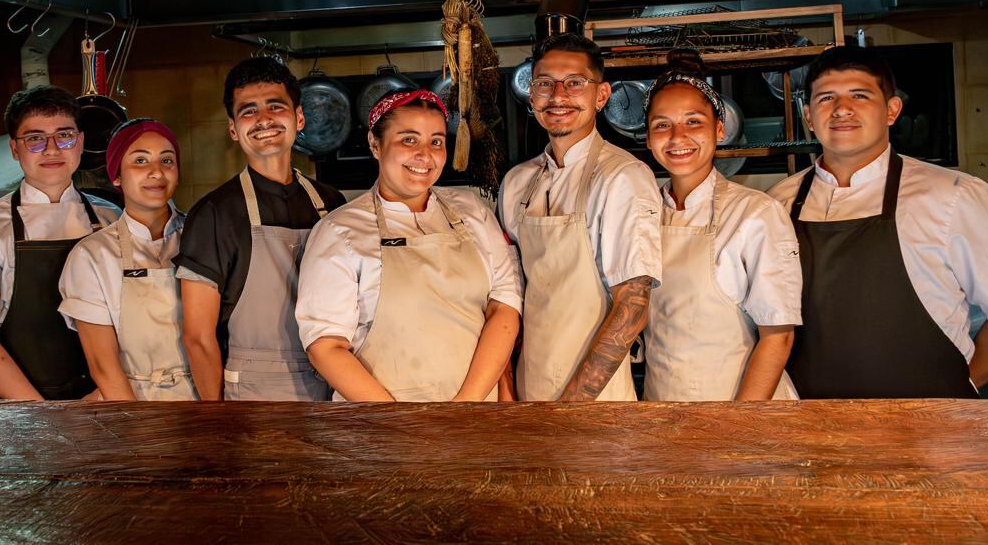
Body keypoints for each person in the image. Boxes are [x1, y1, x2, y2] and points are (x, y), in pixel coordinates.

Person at [767, 46, 988, 398]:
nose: (841, 110)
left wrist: (958, 387)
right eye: (826, 99)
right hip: (810, 430)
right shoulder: (778, 203)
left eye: (860, 95)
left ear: (892, 110)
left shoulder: (953, 196)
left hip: (931, 435)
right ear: (809, 116)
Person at [296, 89, 522, 402]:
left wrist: (465, 407)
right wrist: (403, 426)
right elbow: (325, 347)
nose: (425, 155)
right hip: (383, 430)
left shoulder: (472, 213)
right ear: (375, 144)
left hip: (474, 417)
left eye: (437, 141)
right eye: (408, 139)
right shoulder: (338, 231)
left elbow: (504, 307)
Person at [498, 33, 662, 401]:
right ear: (531, 95)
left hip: (594, 402)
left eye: (574, 83)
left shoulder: (623, 177)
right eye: (545, 84)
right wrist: (506, 387)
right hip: (529, 386)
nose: (558, 97)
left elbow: (632, 304)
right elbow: (508, 296)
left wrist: (572, 409)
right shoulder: (517, 183)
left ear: (601, 96)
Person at [176, 57, 346, 401]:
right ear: (233, 129)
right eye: (248, 111)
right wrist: (216, 417)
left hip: (337, 380)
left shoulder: (331, 203)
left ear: (299, 117)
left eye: (275, 106)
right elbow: (198, 336)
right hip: (257, 392)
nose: (264, 120)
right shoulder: (212, 213)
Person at [0, 86, 119, 400]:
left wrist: (106, 394)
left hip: (105, 399)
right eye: (35, 138)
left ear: (81, 143)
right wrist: (41, 415)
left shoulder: (110, 219)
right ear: (14, 149)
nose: (52, 150)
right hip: (21, 412)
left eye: (64, 135)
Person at [641, 49, 799, 401]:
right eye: (662, 125)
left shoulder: (755, 213)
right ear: (649, 139)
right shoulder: (642, 214)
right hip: (662, 407)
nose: (677, 136)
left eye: (693, 121)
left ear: (720, 128)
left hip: (744, 411)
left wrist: (737, 428)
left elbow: (778, 336)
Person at [59, 118, 197, 400]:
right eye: (140, 161)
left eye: (167, 161)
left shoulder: (206, 237)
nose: (156, 172)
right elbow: (103, 367)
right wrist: (138, 432)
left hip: (207, 398)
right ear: (116, 176)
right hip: (131, 401)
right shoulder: (92, 256)